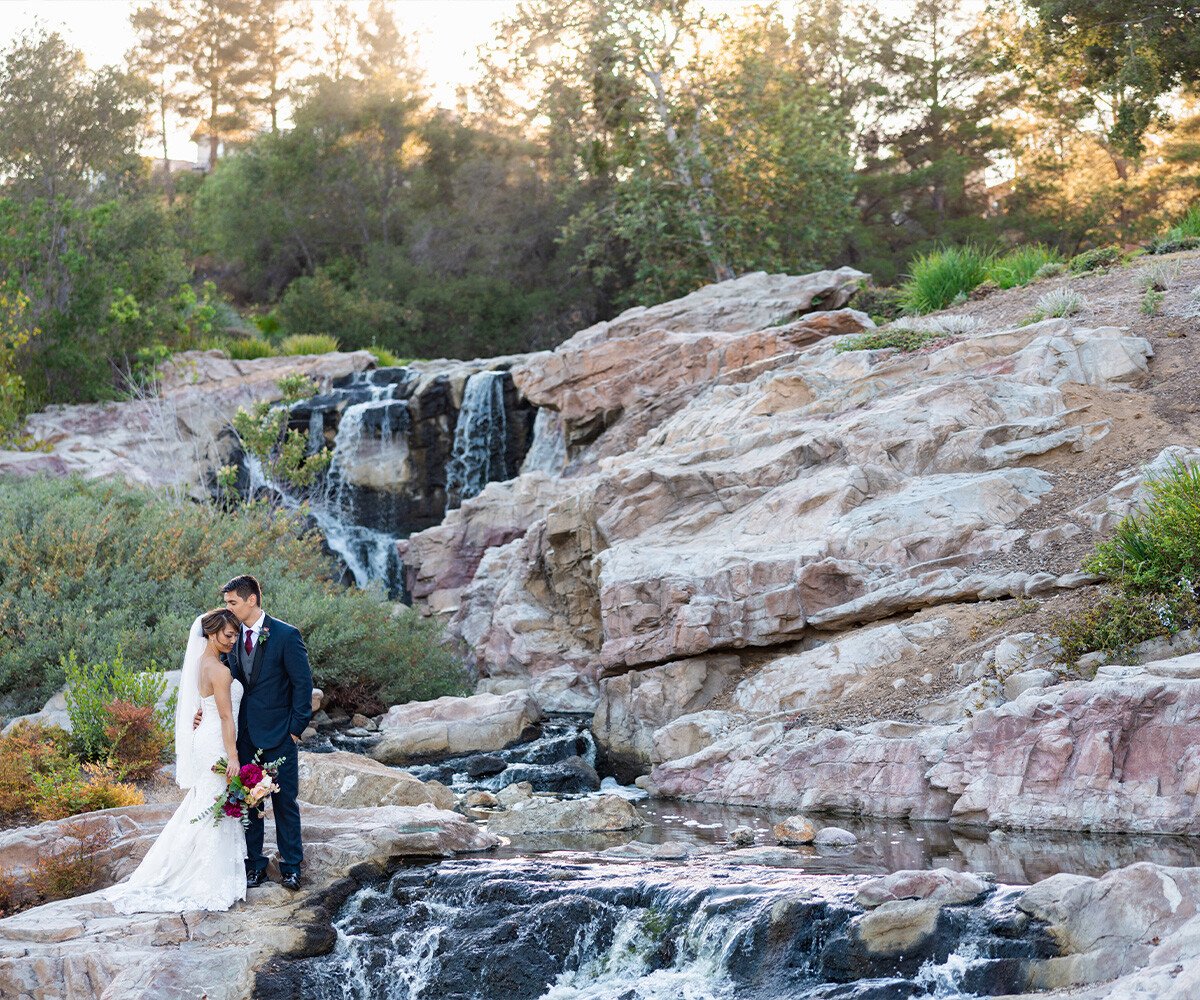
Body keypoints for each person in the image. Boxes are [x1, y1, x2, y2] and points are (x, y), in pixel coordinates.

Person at [103, 608, 247, 913]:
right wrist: (233, 756)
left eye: (235, 634)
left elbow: (205, 706)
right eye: (228, 634)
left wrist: (202, 717)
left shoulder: (202, 663)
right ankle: (208, 879)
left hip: (205, 739)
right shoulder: (219, 670)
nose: (233, 640)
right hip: (217, 743)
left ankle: (202, 871)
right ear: (210, 633)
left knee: (207, 805)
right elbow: (223, 715)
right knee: (213, 806)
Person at [201, 574, 313, 891]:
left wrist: (294, 731)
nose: (228, 608)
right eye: (226, 603)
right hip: (243, 735)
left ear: (251, 600)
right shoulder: (230, 637)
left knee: (284, 803)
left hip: (279, 735)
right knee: (249, 803)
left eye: (232, 602)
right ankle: (254, 866)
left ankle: (291, 867)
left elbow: (302, 686)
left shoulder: (285, 635)